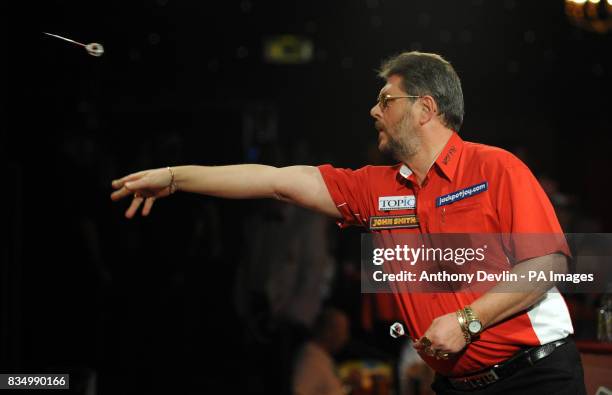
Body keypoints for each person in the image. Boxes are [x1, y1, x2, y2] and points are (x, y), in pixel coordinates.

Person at [110, 51, 586, 394]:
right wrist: (175, 177)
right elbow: (277, 181)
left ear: (425, 108)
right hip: (456, 385)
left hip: (535, 376)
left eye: (386, 100)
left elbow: (547, 264)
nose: (373, 111)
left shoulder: (495, 168)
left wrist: (467, 321)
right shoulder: (375, 189)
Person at [291, 308, 350, 395]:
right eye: (342, 332)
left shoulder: (321, 357)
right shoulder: (310, 361)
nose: (345, 338)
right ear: (328, 332)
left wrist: (346, 383)